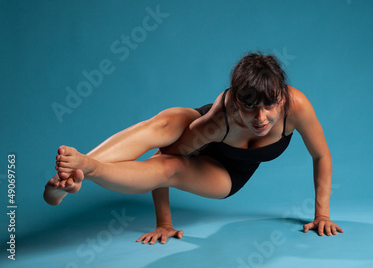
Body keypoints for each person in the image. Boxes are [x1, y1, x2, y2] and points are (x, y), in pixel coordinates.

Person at [44, 52, 343, 244]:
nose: (260, 118)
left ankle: (88, 169)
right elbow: (166, 153)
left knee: (173, 170)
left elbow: (321, 155)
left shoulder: (297, 107)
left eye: (269, 105)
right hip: (198, 133)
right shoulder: (217, 120)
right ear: (237, 102)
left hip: (226, 172)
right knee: (165, 124)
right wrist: (164, 221)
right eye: (249, 107)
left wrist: (322, 215)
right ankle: (76, 174)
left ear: (281, 97)